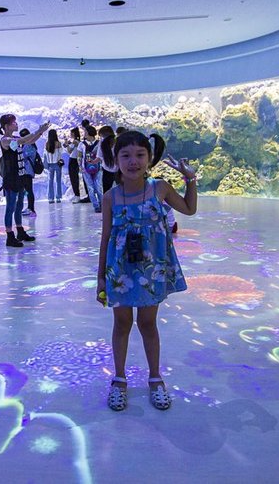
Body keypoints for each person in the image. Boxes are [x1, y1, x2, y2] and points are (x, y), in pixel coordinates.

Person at [96, 130, 197, 411]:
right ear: (115, 160)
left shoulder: (160, 188)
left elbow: (189, 209)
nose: (133, 161)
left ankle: (155, 378)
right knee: (122, 324)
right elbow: (105, 238)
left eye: (140, 155)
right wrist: (101, 278)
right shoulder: (110, 198)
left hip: (151, 271)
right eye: (125, 155)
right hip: (120, 270)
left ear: (150, 158)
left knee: (148, 324)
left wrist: (190, 179)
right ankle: (119, 379)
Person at [0, 114, 49, 247]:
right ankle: (10, 236)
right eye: (14, 123)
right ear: (6, 126)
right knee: (10, 207)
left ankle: (20, 231)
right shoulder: (5, 140)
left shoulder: (15, 138)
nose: (16, 124)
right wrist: (38, 130)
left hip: (20, 176)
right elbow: (24, 140)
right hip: (11, 178)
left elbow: (29, 141)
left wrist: (41, 132)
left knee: (20, 205)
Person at [77, 125, 103, 212]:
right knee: (90, 188)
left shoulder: (99, 143)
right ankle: (96, 206)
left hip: (98, 168)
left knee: (98, 187)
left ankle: (102, 204)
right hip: (85, 169)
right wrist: (80, 167)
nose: (84, 134)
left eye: (85, 132)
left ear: (90, 133)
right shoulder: (82, 144)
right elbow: (79, 156)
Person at [19, 128, 40, 217]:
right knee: (28, 190)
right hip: (27, 171)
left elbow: (23, 156)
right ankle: (29, 208)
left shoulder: (28, 146)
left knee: (29, 190)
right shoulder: (30, 145)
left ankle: (31, 209)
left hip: (27, 171)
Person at [65, 127, 88, 203]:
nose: (70, 134)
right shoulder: (78, 141)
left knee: (73, 178)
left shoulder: (75, 142)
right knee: (75, 177)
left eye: (71, 133)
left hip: (73, 160)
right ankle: (78, 195)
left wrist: (67, 144)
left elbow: (69, 151)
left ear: (74, 133)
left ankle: (77, 195)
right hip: (76, 159)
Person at [43, 129, 63, 203]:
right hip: (58, 164)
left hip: (50, 164)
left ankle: (50, 198)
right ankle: (58, 197)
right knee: (58, 181)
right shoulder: (58, 143)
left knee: (50, 181)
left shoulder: (47, 144)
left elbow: (45, 155)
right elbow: (60, 153)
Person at [98, 125, 117, 193]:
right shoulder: (119, 142)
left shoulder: (102, 143)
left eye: (101, 136)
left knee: (106, 190)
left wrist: (91, 161)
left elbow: (99, 156)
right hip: (119, 169)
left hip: (106, 168)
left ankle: (106, 203)